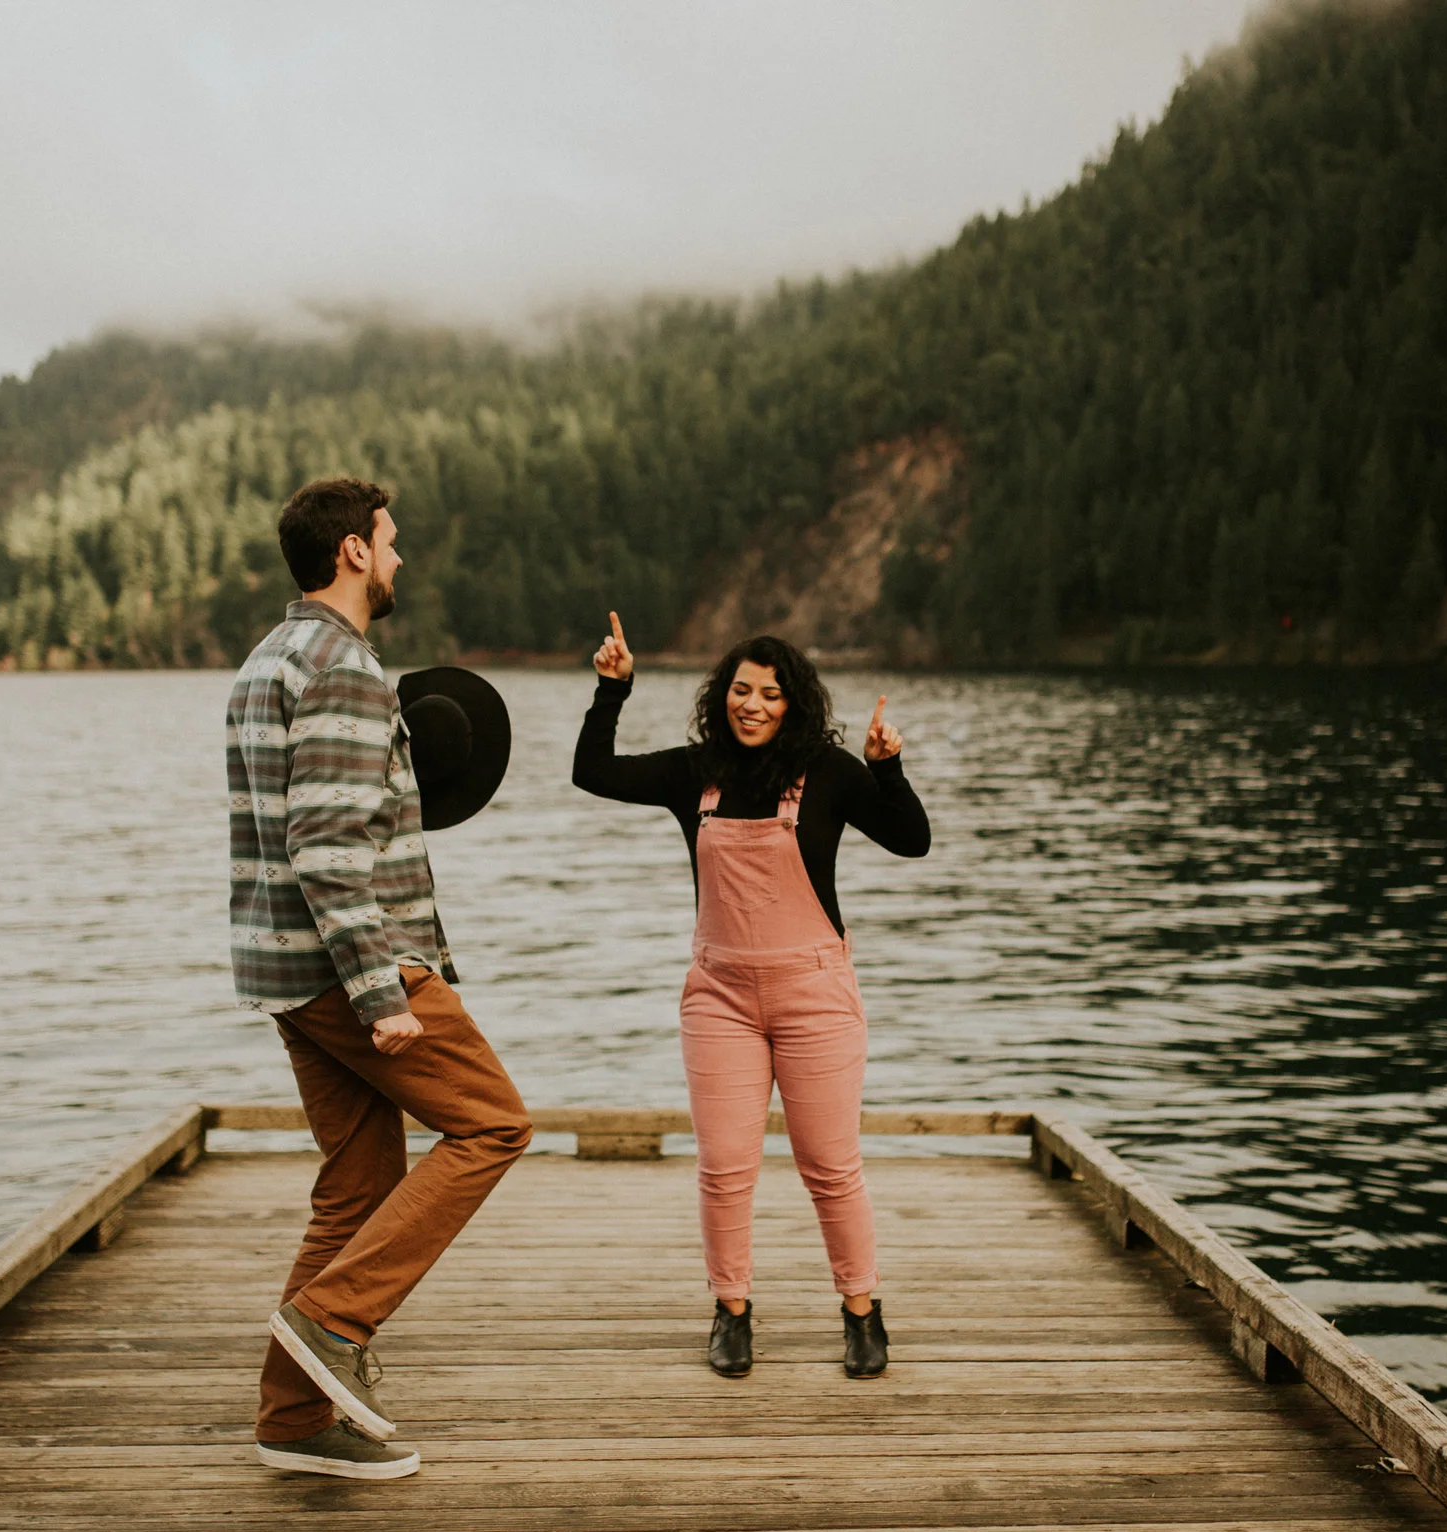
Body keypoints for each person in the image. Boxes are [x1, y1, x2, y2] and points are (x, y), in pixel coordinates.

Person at [227, 476, 533, 1480]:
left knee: (357, 1185)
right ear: (353, 551)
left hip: (285, 971)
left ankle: (293, 1417)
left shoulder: (265, 660)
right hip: (356, 966)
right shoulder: (346, 667)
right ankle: (331, 1320)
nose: (400, 558)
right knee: (492, 1122)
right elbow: (325, 846)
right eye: (391, 541)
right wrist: (382, 992)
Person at [573, 615, 930, 1378]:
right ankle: (731, 1309)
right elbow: (592, 772)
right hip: (720, 996)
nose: (753, 704)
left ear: (793, 704)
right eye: (741, 689)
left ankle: (861, 1311)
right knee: (725, 1165)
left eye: (770, 693)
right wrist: (612, 690)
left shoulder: (831, 773)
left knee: (831, 1165)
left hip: (816, 996)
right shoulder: (691, 771)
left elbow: (911, 839)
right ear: (721, 696)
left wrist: (889, 767)